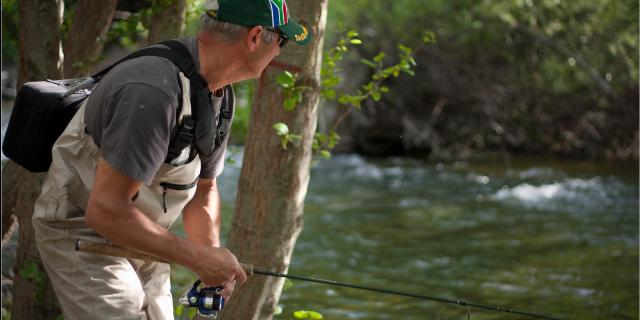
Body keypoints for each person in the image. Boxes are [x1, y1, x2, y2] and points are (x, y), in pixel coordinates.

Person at [31, 0, 312, 319]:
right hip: (82, 228)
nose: (279, 51)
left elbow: (204, 189)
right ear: (255, 37)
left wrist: (210, 261)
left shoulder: (218, 89)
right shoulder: (154, 92)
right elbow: (105, 210)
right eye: (282, 40)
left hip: (142, 232)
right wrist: (196, 257)